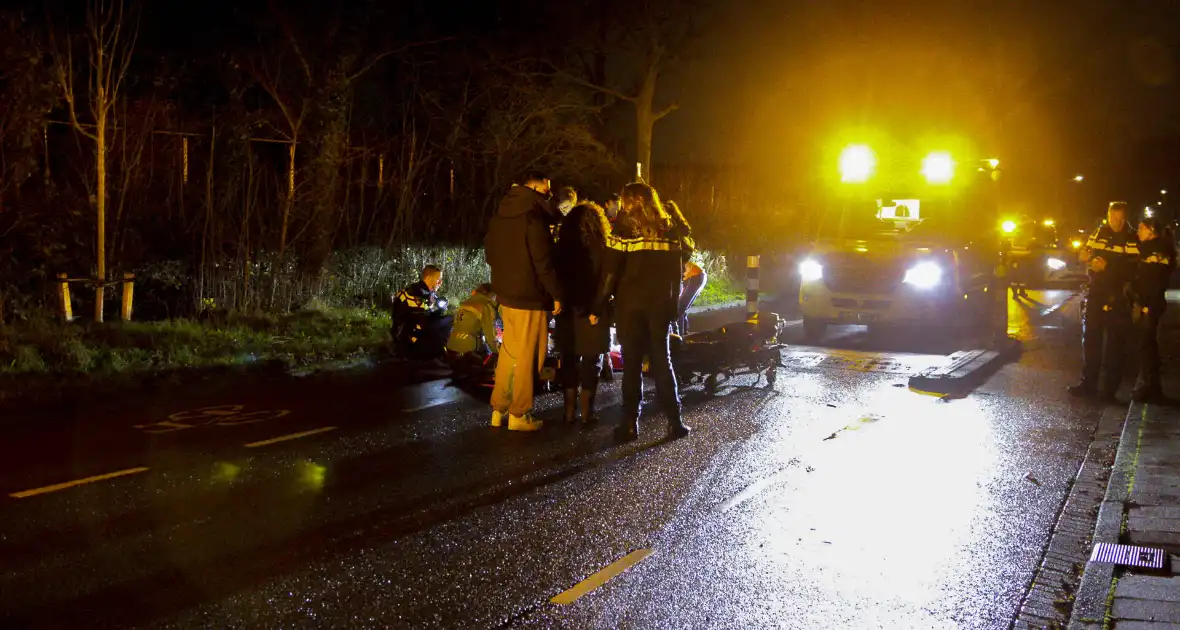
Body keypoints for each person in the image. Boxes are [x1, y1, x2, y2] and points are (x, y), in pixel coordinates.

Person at [594, 182, 693, 442]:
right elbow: (684, 256)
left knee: (632, 365)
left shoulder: (623, 230)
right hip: (661, 304)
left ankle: (629, 424)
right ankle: (675, 422)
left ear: (628, 202)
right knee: (662, 360)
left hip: (630, 305)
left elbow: (610, 272)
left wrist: (599, 303)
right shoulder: (669, 229)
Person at [485, 172, 564, 431]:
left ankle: (499, 409)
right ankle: (519, 414)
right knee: (530, 356)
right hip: (530, 296)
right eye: (547, 186)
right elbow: (543, 262)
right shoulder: (533, 215)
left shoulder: (501, 213)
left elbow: (490, 254)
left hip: (506, 295)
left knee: (509, 353)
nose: (549, 191)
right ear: (537, 184)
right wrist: (556, 294)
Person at [1070, 201, 1140, 400]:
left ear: (1125, 217)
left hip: (1119, 295)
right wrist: (1084, 257)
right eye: (1112, 218)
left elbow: (1134, 270)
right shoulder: (1099, 233)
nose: (1116, 222)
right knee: (1091, 338)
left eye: (1119, 218)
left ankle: (1109, 391)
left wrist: (1107, 268)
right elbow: (1086, 252)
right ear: (1108, 215)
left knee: (1115, 344)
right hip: (1096, 292)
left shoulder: (1132, 238)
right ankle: (1088, 384)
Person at [554, 201, 612, 424]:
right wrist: (597, 307)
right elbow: (606, 281)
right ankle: (588, 413)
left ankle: (568, 412)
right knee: (591, 361)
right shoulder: (602, 247)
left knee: (568, 360)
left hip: (568, 310)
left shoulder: (561, 248)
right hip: (593, 310)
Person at [1130, 216, 1176, 402]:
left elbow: (1154, 282)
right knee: (1146, 346)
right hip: (1148, 303)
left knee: (1147, 347)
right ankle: (1149, 387)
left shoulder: (1156, 251)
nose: (1138, 232)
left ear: (1151, 230)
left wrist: (1145, 305)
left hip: (1149, 304)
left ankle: (1152, 389)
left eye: (1141, 228)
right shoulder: (1155, 249)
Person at [391, 265, 451, 360]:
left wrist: (439, 311)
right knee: (441, 326)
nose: (440, 282)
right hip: (410, 340)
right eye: (438, 279)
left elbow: (425, 317)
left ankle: (441, 354)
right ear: (428, 278)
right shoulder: (414, 294)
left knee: (447, 320)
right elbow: (421, 321)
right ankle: (440, 355)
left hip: (417, 334)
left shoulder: (427, 293)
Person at [446, 283, 500, 358]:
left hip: (451, 347)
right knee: (490, 359)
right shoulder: (486, 305)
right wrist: (498, 353)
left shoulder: (466, 302)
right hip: (468, 352)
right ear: (493, 295)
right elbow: (490, 336)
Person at [677, 258, 708, 336]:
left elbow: (680, 283)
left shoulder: (675, 264)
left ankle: (680, 335)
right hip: (700, 275)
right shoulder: (677, 262)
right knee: (683, 306)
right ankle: (684, 332)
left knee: (680, 307)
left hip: (695, 276)